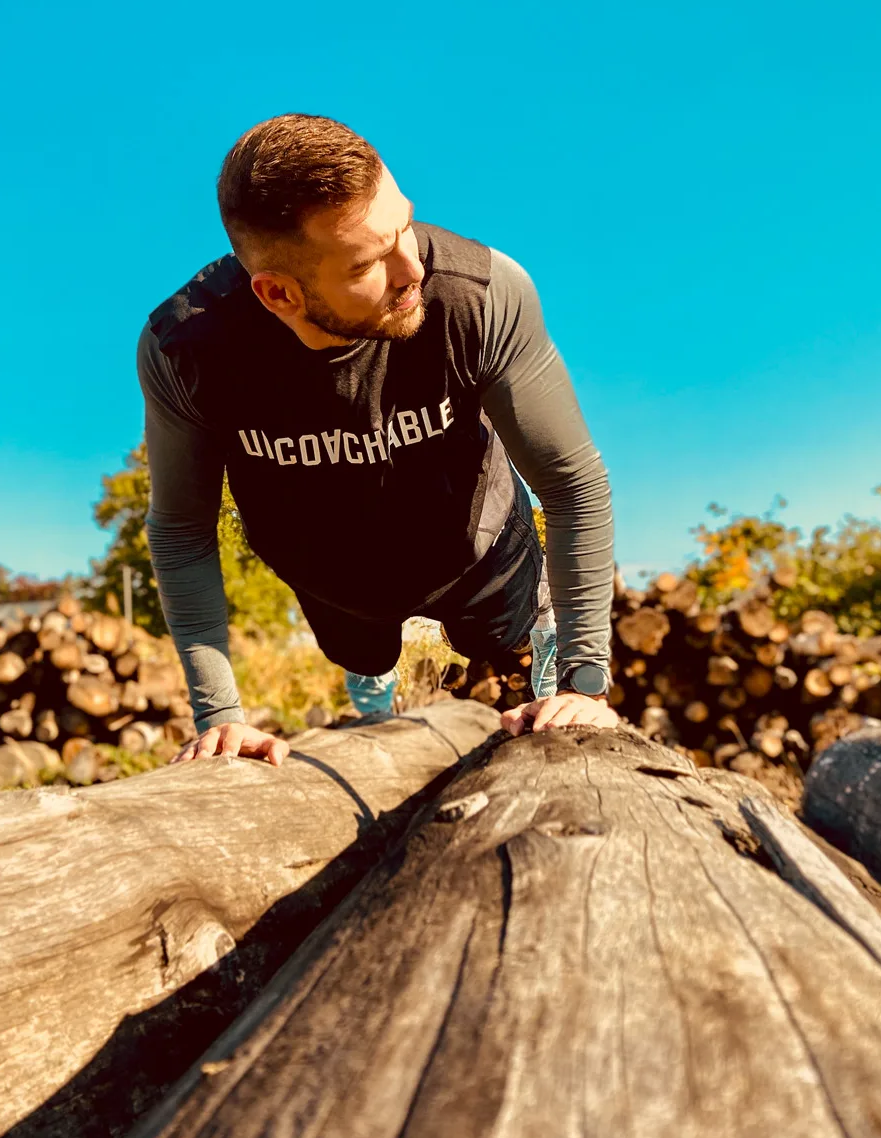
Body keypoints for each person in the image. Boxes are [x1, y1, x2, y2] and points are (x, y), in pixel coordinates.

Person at [139, 114, 618, 764]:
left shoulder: (481, 294)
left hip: (474, 545)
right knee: (364, 653)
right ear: (279, 293)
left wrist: (584, 685)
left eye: (405, 227)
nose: (412, 266)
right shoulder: (187, 351)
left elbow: (572, 483)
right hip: (329, 570)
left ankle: (542, 623)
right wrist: (220, 717)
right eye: (369, 261)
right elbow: (180, 531)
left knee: (492, 638)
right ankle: (373, 680)